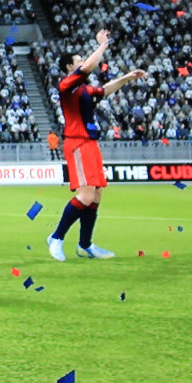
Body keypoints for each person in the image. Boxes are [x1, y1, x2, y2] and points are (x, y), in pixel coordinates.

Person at [47, 29, 146, 262]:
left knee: (96, 194)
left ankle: (85, 245)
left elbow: (105, 90)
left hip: (90, 143)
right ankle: (56, 238)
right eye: (78, 60)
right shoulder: (67, 86)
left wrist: (127, 78)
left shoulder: (83, 90)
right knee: (85, 194)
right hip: (77, 143)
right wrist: (102, 45)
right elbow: (89, 67)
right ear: (69, 67)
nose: (83, 62)